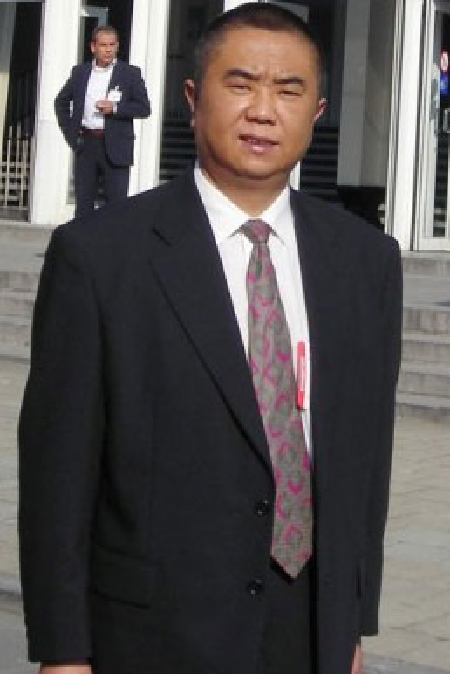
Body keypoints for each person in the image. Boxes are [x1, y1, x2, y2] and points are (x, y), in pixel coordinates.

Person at [18, 4, 402, 674]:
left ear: (317, 112)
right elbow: (58, 475)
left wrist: (351, 620)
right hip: (157, 631)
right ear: (193, 98)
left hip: (308, 627)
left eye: (288, 91)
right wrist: (63, 650)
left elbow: (366, 459)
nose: (263, 111)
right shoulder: (102, 257)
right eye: (241, 84)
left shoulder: (365, 260)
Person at [54, 25, 151, 217]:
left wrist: (115, 108)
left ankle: (113, 238)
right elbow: (61, 102)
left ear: (117, 47)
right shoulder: (80, 73)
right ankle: (84, 237)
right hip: (87, 144)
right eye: (103, 45)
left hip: (116, 146)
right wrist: (71, 133)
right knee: (83, 206)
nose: (108, 50)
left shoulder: (129, 73)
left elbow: (144, 108)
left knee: (116, 206)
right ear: (93, 47)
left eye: (112, 45)